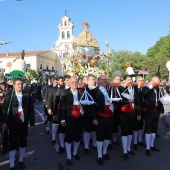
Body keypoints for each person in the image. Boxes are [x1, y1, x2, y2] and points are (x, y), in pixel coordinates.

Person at [1, 78, 35, 170]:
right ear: (14, 85)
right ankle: (12, 164)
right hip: (13, 123)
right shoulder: (9, 96)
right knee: (12, 144)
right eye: (18, 84)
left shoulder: (27, 95)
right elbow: (4, 109)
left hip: (23, 123)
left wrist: (32, 123)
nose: (20, 86)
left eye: (21, 84)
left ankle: (20, 160)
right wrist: (4, 122)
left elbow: (31, 110)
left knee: (23, 142)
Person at [59, 76, 86, 165]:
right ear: (69, 83)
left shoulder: (82, 91)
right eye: (72, 82)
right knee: (69, 137)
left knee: (78, 136)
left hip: (80, 118)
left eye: (76, 82)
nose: (74, 84)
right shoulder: (65, 93)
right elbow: (62, 107)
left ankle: (74, 152)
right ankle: (69, 156)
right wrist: (62, 119)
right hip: (69, 118)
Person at [91, 75, 114, 165]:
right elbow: (93, 106)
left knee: (108, 134)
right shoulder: (94, 91)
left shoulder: (110, 89)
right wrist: (94, 118)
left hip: (110, 115)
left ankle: (105, 152)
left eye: (106, 79)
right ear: (99, 81)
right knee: (100, 135)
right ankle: (99, 155)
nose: (105, 81)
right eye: (103, 80)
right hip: (100, 115)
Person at [119, 75, 141, 159]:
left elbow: (138, 101)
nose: (129, 81)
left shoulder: (134, 88)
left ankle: (128, 148)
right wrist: (125, 88)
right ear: (124, 81)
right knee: (124, 131)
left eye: (130, 80)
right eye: (128, 80)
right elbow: (120, 100)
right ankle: (124, 150)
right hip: (124, 112)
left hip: (133, 112)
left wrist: (139, 113)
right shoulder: (121, 88)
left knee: (130, 131)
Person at [142, 76, 164, 156]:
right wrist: (151, 86)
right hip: (148, 111)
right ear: (152, 82)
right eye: (156, 82)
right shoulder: (146, 88)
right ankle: (147, 147)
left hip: (156, 111)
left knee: (154, 128)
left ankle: (151, 145)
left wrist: (161, 111)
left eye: (158, 82)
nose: (158, 84)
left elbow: (161, 100)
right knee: (148, 128)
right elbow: (143, 94)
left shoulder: (158, 89)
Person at [82, 74, 96, 153]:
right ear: (87, 81)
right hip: (87, 112)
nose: (93, 81)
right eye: (91, 79)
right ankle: (86, 146)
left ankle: (94, 143)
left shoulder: (97, 89)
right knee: (87, 129)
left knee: (94, 129)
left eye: (94, 79)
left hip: (95, 112)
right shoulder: (85, 89)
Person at [133, 76, 146, 150]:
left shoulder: (144, 88)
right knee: (136, 125)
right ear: (136, 81)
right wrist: (138, 88)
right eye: (139, 80)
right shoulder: (134, 89)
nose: (141, 82)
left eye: (142, 80)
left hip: (143, 109)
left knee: (141, 125)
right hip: (137, 109)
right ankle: (135, 142)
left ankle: (139, 140)